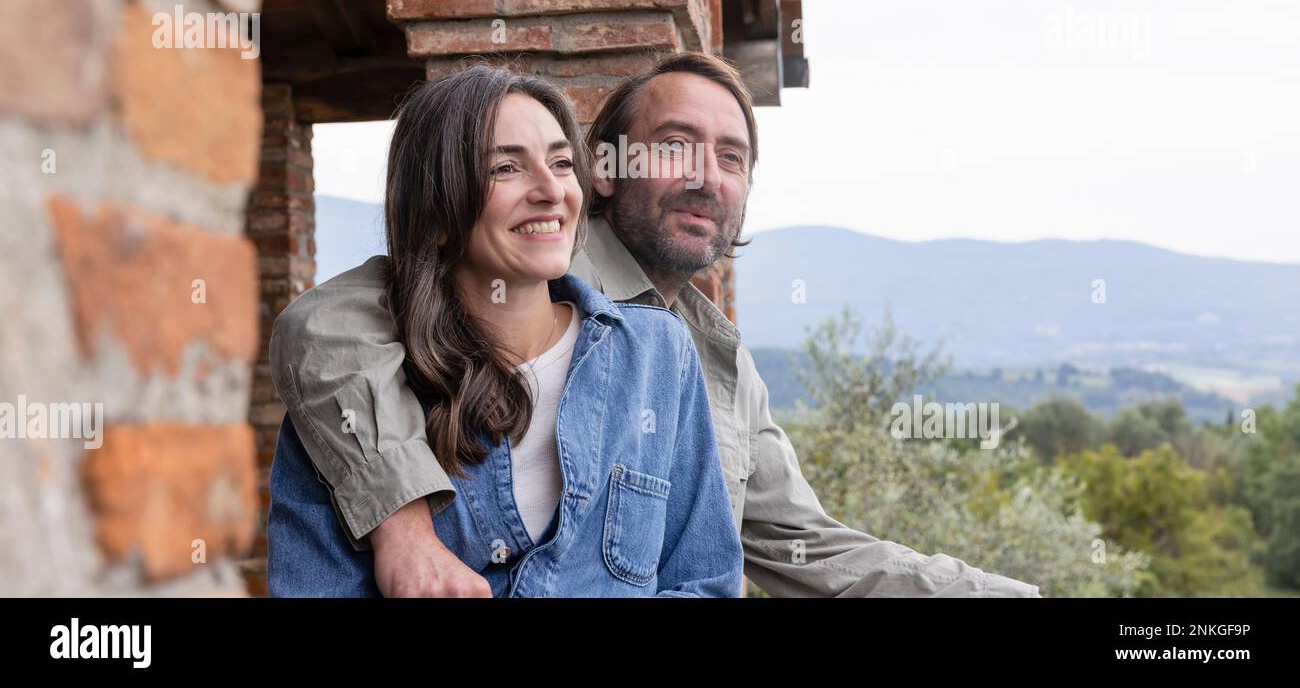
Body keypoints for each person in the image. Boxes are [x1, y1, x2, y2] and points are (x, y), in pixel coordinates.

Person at [272, 52, 1040, 597]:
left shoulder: (699, 355)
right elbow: (321, 326)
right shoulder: (483, 277)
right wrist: (402, 527)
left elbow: (795, 547)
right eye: (677, 145)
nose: (709, 175)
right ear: (606, 165)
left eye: (733, 157)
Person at [266, 65, 743, 597]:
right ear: (438, 212)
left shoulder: (657, 353)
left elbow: (704, 582)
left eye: (561, 163)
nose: (550, 190)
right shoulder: (354, 402)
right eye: (506, 168)